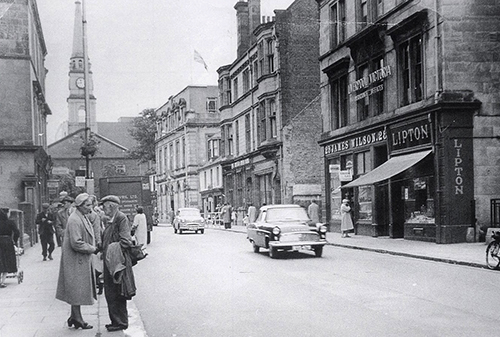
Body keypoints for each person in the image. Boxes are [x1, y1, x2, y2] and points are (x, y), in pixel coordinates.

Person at [55, 193, 98, 330]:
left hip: (78, 259)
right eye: (87, 205)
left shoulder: (81, 216)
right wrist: (93, 249)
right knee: (77, 289)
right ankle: (77, 318)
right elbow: (76, 243)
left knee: (76, 290)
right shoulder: (74, 219)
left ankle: (75, 317)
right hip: (76, 259)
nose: (90, 208)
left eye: (91, 204)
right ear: (80, 206)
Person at [100, 195, 134, 332]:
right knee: (111, 292)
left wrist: (111, 249)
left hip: (117, 262)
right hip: (110, 261)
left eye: (105, 206)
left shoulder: (121, 218)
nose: (103, 209)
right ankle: (115, 320)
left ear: (111, 206)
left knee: (117, 292)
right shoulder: (111, 220)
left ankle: (120, 322)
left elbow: (126, 240)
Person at [0, 209, 20, 288]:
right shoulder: (10, 222)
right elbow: (17, 232)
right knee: (7, 260)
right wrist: (14, 241)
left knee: (1, 260)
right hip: (7, 242)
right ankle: (2, 281)